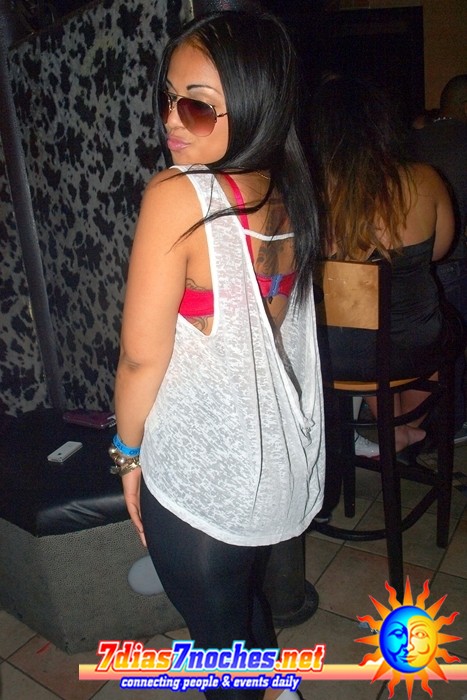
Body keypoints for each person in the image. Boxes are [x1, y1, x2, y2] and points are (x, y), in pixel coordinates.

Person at [110, 10, 325, 700]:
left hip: (202, 471)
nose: (172, 119)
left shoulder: (179, 195)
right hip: (262, 468)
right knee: (236, 611)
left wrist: (126, 455)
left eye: (197, 105)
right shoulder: (287, 190)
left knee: (217, 641)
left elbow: (140, 359)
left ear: (255, 103)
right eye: (168, 96)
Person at [309, 75, 461, 458]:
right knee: (434, 323)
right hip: (413, 347)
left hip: (334, 355)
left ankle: (391, 432)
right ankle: (400, 432)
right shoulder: (424, 179)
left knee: (367, 328)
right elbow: (440, 252)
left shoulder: (308, 193)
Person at [409, 75, 467, 444]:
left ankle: (419, 423)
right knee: (453, 346)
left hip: (409, 264)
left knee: (424, 348)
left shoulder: (411, 141)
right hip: (453, 260)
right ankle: (453, 421)